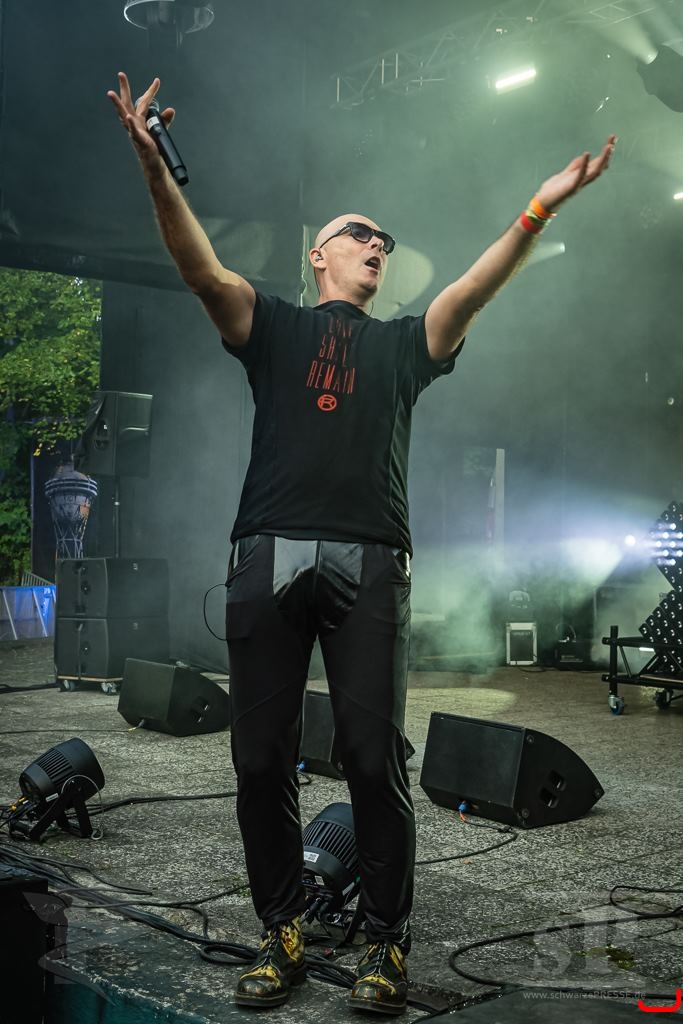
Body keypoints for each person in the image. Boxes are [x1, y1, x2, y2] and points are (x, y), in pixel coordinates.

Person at [108, 71, 615, 1015]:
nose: (377, 245)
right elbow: (200, 269)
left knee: (373, 760)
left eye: (385, 240)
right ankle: (282, 932)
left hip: (369, 562)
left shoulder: (403, 347)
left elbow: (472, 288)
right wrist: (153, 167)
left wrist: (538, 208)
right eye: (359, 234)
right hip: (267, 555)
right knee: (259, 760)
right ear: (319, 255)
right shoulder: (274, 325)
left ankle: (386, 944)